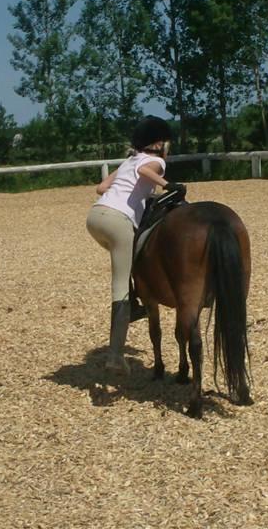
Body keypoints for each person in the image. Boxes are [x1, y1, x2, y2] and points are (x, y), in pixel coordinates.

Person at [86, 115, 185, 374]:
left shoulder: (129, 160)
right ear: (159, 143)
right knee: (120, 288)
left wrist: (141, 193)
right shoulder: (156, 161)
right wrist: (167, 185)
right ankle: (116, 356)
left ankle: (135, 303)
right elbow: (145, 172)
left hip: (95, 218)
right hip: (118, 222)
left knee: (127, 264)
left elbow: (101, 187)